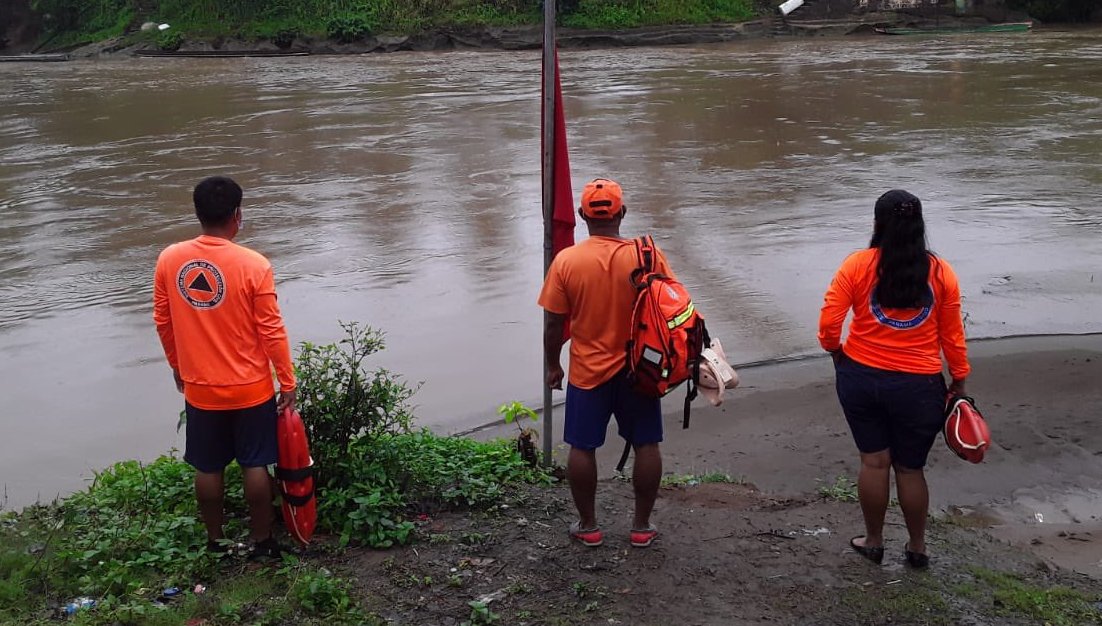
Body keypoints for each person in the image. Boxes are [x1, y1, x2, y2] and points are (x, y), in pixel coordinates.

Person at [818, 189, 970, 569]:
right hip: (920, 387)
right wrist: (960, 381)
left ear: (876, 225)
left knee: (874, 462)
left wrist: (836, 351)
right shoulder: (941, 273)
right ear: (920, 227)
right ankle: (917, 548)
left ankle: (872, 541)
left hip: (861, 378)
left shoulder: (857, 265)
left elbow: (828, 326)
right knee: (909, 467)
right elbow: (952, 336)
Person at [153, 176, 297, 559]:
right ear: (238, 215)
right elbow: (271, 329)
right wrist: (287, 380)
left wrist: (177, 366)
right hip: (251, 386)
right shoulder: (253, 264)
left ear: (198, 213)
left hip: (200, 387)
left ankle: (215, 542)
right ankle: (263, 541)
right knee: (255, 463)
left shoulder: (170, 259)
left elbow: (162, 321)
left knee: (208, 465)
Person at [538, 178, 677, 548]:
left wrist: (553, 365)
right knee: (647, 444)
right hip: (640, 370)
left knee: (583, 448)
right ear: (622, 213)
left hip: (587, 373)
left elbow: (554, 323)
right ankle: (642, 527)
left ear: (583, 216)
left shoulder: (566, 261)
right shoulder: (647, 255)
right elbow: (672, 307)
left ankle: (589, 526)